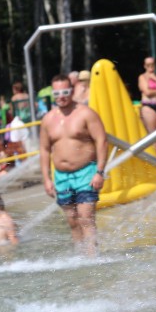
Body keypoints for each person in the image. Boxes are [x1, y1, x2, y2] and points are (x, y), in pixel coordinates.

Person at [39, 73, 108, 256]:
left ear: (72, 90)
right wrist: (46, 179)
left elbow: (101, 141)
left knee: (86, 218)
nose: (61, 96)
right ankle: (79, 256)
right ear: (52, 94)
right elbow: (45, 150)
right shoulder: (47, 119)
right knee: (72, 220)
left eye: (65, 91)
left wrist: (100, 172)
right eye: (57, 92)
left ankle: (93, 258)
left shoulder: (86, 114)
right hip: (61, 177)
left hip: (86, 172)